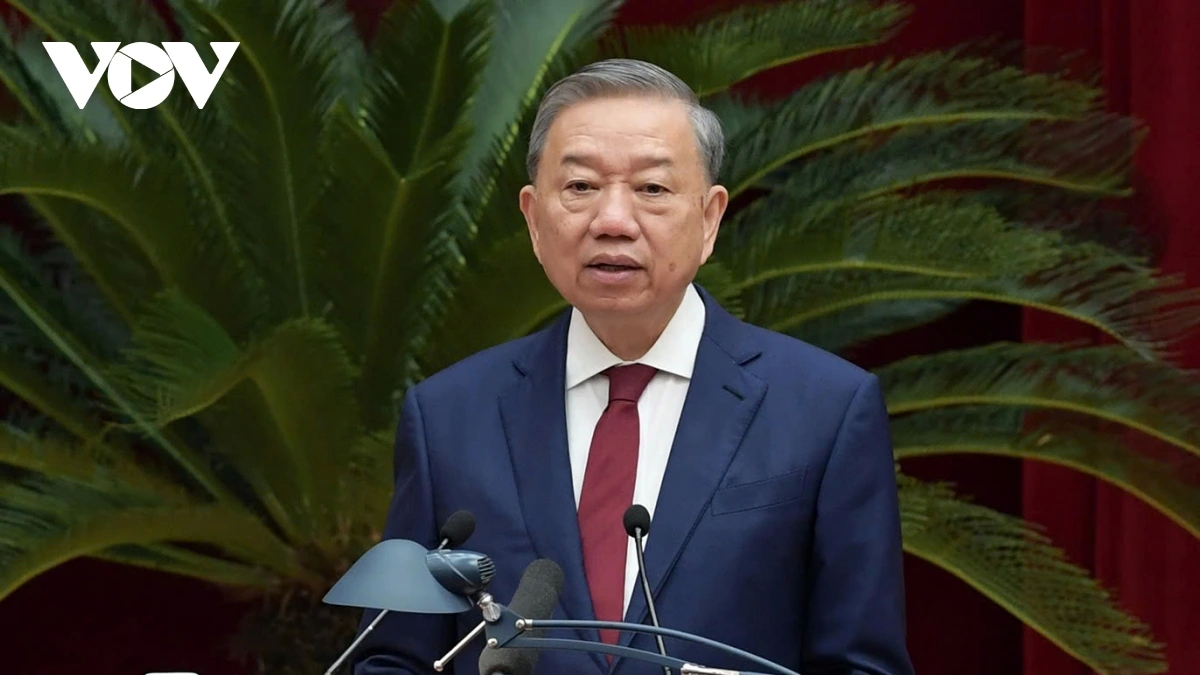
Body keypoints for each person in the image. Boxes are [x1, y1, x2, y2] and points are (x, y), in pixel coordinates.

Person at [351, 58, 914, 675]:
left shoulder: (826, 411)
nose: (613, 222)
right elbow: (395, 657)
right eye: (580, 187)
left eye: (652, 189)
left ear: (709, 218)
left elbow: (863, 665)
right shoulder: (448, 417)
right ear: (533, 219)